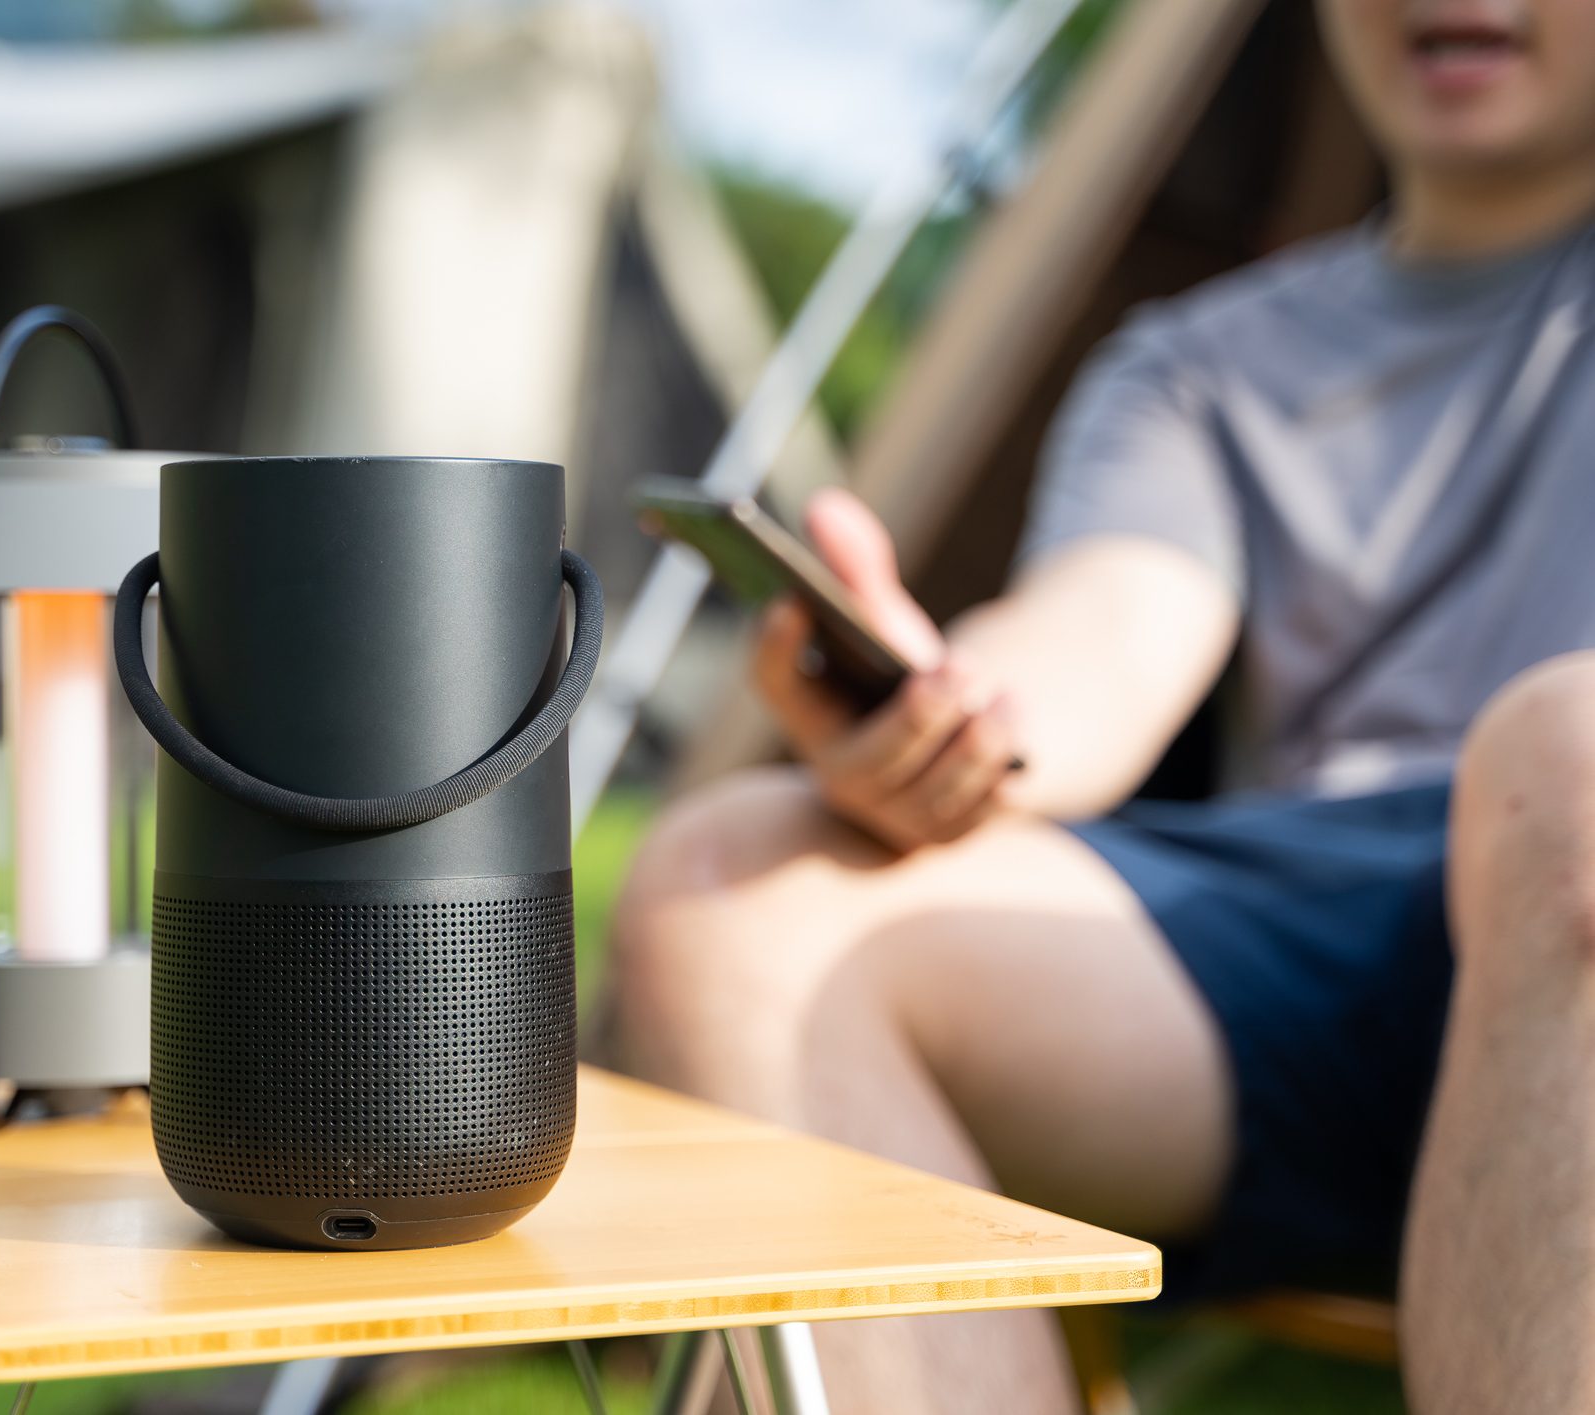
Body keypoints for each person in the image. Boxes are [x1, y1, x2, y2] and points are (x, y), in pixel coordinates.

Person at [609, 1, 1595, 1410]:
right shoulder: (1197, 368)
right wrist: (950, 712)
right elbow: (1107, 637)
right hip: (1305, 952)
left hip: (1565, 854)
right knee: (735, 875)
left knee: (1567, 756)